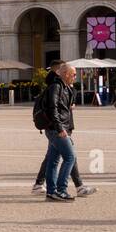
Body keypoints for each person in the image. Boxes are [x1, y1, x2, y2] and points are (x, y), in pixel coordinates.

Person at [38, 62, 78, 201]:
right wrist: (60, 128)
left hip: (57, 128)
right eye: (73, 74)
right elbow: (52, 108)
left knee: (54, 160)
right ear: (65, 74)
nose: (75, 77)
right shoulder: (56, 87)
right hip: (56, 129)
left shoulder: (65, 87)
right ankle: (61, 189)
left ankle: (51, 191)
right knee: (70, 157)